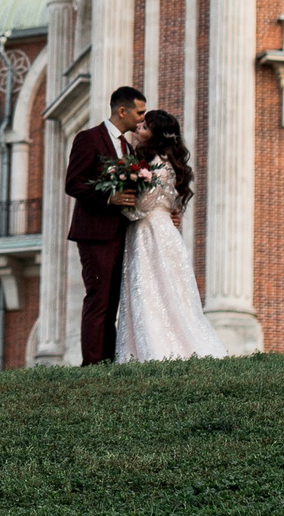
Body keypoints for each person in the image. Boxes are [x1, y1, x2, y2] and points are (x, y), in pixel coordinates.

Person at [115, 109, 227, 362]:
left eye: (144, 126)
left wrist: (119, 202)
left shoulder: (158, 166)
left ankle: (158, 349)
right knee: (159, 291)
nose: (138, 128)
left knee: (154, 290)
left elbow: (141, 208)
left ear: (156, 134)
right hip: (159, 231)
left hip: (151, 233)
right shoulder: (160, 162)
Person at [62, 85, 146, 363]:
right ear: (122, 111)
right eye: (139, 113)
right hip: (95, 233)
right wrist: (110, 198)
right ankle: (92, 363)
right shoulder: (88, 139)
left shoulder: (129, 148)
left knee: (113, 300)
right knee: (98, 298)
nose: (141, 120)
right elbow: (73, 183)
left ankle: (108, 360)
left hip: (122, 232)